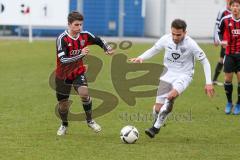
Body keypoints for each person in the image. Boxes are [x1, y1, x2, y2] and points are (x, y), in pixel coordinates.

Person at [129, 19, 214, 138]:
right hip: (167, 74)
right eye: (173, 33)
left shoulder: (191, 44)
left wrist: (208, 82)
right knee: (157, 108)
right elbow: (154, 49)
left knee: (171, 97)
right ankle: (157, 121)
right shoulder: (166, 39)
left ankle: (155, 128)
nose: (175, 37)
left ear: (185, 32)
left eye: (178, 34)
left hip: (184, 75)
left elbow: (205, 61)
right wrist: (141, 57)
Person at [55, 11, 113, 136]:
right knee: (63, 105)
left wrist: (106, 47)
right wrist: (81, 54)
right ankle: (64, 124)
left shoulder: (85, 35)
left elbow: (99, 40)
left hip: (77, 72)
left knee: (84, 93)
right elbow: (63, 60)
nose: (79, 27)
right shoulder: (62, 39)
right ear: (69, 24)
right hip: (62, 76)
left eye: (81, 24)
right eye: (76, 25)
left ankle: (90, 120)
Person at [216, 0, 240, 115]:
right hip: (229, 54)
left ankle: (239, 103)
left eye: (237, 6)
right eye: (233, 6)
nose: (235, 8)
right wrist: (222, 41)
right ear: (230, 7)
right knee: (227, 79)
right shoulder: (225, 20)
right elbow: (219, 32)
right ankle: (229, 102)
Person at [213, 0, 231, 86]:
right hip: (225, 40)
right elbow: (217, 25)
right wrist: (216, 38)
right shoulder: (223, 11)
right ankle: (215, 80)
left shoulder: (237, 11)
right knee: (222, 59)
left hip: (236, 40)